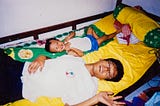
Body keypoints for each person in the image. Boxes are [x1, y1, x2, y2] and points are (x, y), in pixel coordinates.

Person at [0, 49, 125, 106]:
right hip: (18, 66)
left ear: (105, 79)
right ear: (102, 59)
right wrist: (42, 58)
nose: (106, 69)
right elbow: (53, 60)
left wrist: (96, 99)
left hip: (18, 87)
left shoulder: (90, 88)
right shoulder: (76, 59)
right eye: (109, 65)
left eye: (109, 74)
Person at [45, 27, 120, 57]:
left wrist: (69, 37)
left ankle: (97, 37)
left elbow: (73, 33)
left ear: (58, 40)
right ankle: (116, 32)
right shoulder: (69, 52)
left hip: (87, 38)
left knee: (90, 28)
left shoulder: (65, 41)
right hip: (92, 45)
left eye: (57, 43)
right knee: (104, 37)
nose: (60, 46)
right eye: (57, 48)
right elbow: (81, 54)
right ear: (58, 52)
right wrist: (71, 48)